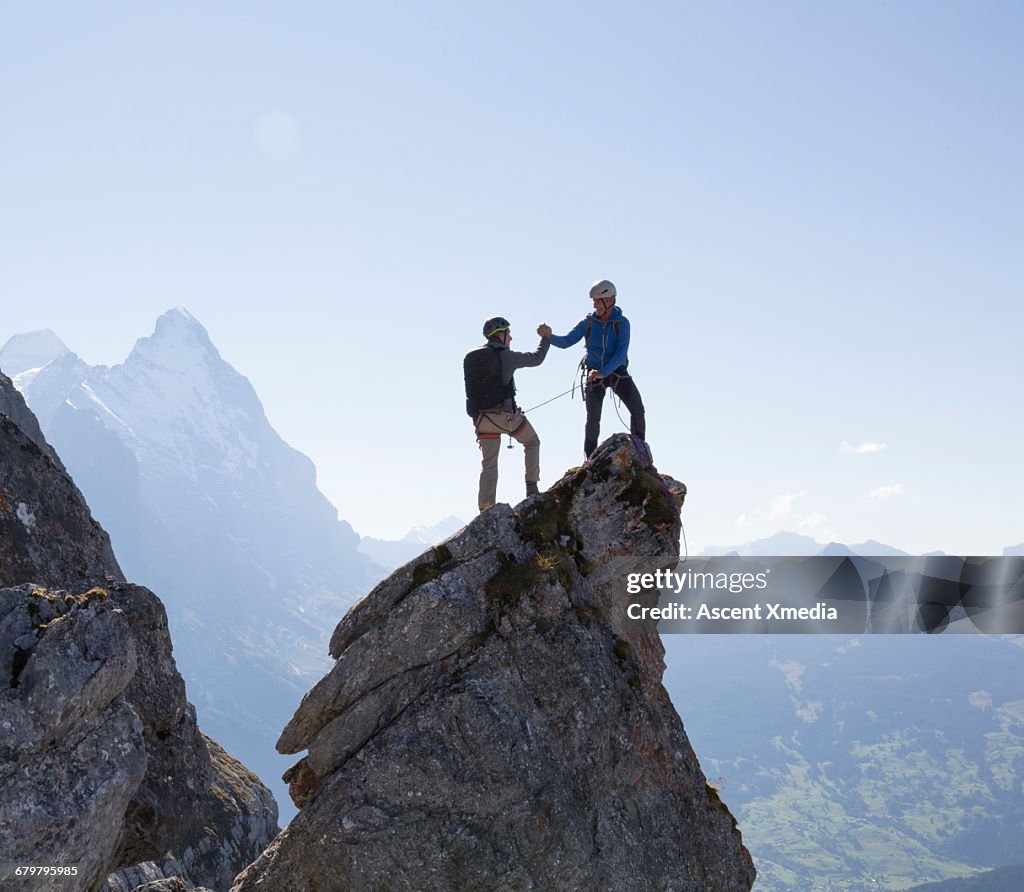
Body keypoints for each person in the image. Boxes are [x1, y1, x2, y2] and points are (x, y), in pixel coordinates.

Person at [539, 279, 645, 459]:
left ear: (609, 300)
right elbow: (566, 342)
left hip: (616, 372)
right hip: (594, 373)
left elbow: (620, 354)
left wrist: (603, 372)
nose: (595, 305)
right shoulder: (588, 322)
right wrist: (549, 336)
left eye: (598, 301)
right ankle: (590, 459)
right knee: (593, 420)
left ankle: (640, 453)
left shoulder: (622, 323)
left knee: (637, 409)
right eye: (594, 301)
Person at [464, 317, 550, 512]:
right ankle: (531, 488)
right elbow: (537, 358)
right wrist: (546, 338)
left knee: (489, 464)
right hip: (506, 418)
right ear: (500, 335)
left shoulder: (473, 358)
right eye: (508, 334)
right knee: (532, 442)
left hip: (482, 421)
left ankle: (486, 508)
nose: (510, 338)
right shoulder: (507, 356)